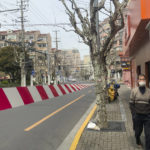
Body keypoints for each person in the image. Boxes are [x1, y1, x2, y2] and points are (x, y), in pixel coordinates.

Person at [129, 74, 150, 150]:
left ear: (145, 80)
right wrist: (134, 114)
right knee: (138, 132)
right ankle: (138, 140)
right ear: (138, 81)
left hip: (147, 116)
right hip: (137, 116)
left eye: (143, 79)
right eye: (140, 79)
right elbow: (131, 104)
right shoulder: (134, 91)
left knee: (148, 134)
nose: (142, 81)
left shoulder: (149, 91)